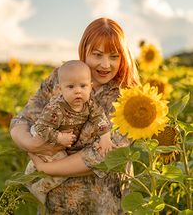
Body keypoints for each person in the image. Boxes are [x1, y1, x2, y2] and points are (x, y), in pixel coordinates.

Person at [10, 17, 140, 214]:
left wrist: (46, 168)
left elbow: (103, 156)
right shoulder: (62, 76)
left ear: (123, 56)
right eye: (97, 55)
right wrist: (30, 143)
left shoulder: (128, 97)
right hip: (55, 203)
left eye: (114, 56)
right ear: (84, 50)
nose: (106, 65)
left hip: (102, 203)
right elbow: (24, 118)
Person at [25, 60, 113, 204]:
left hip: (59, 141)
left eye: (83, 86)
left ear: (90, 87)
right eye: (71, 87)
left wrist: (105, 136)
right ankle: (39, 188)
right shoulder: (55, 108)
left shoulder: (89, 103)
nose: (78, 91)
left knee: (49, 163)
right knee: (59, 169)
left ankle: (31, 179)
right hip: (44, 136)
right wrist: (58, 137)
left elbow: (99, 117)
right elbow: (41, 127)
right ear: (60, 89)